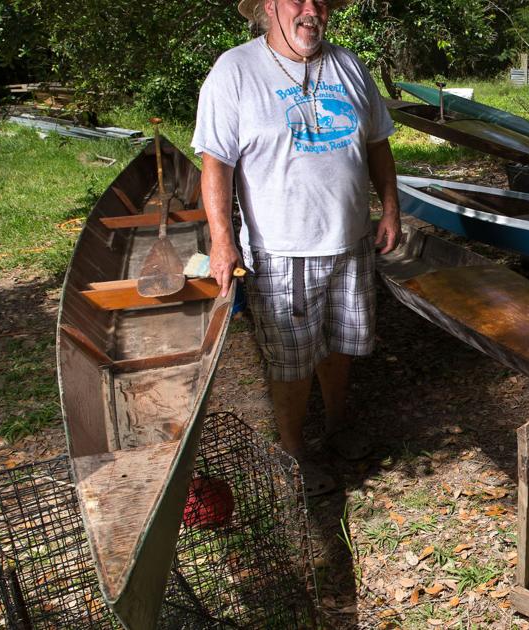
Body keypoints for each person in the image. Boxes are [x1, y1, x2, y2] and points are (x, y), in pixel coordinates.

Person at [193, 0, 400, 495]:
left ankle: (336, 425)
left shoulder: (348, 64)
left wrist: (390, 209)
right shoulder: (235, 70)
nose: (311, 10)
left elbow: (377, 144)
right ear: (269, 7)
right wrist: (222, 241)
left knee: (340, 345)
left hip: (350, 242)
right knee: (290, 361)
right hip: (279, 249)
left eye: (320, 2)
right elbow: (215, 163)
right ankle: (293, 453)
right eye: (297, 0)